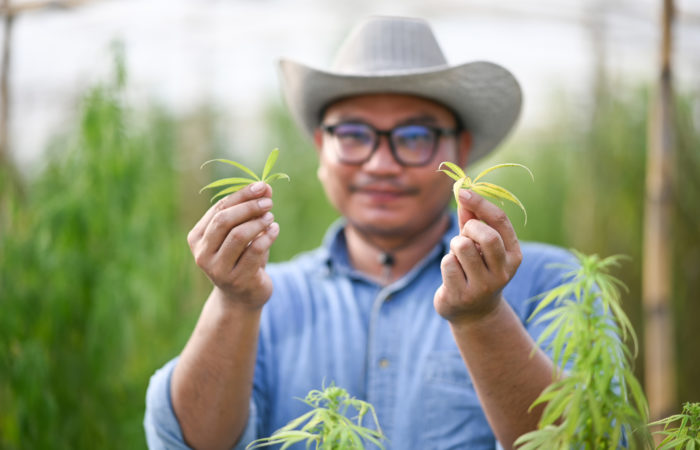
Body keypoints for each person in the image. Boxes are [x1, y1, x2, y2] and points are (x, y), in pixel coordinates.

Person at [144, 15, 577, 450]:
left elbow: (589, 438)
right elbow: (187, 443)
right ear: (321, 148)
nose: (380, 164)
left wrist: (484, 317)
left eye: (413, 137)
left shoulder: (549, 282)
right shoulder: (271, 299)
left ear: (460, 151)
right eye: (352, 135)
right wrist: (234, 301)